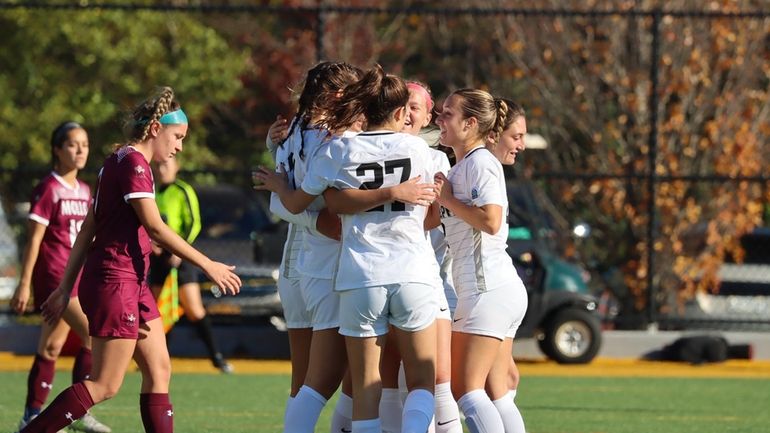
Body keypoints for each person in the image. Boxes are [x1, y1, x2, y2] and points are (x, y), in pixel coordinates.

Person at [20, 87, 241, 433]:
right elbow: (154, 227)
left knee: (159, 370)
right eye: (178, 136)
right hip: (117, 282)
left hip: (131, 284)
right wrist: (208, 264)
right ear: (156, 129)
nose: (180, 146)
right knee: (106, 384)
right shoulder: (133, 164)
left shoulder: (118, 160)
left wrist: (65, 288)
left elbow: (88, 229)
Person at [255, 64, 440, 433]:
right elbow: (431, 215)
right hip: (340, 266)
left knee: (337, 382)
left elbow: (304, 202)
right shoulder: (346, 142)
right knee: (328, 381)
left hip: (325, 268)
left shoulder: (304, 137)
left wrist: (271, 148)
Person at [265, 61, 362, 433]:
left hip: (303, 262)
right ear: (337, 95)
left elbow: (279, 199)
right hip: (326, 263)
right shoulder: (332, 140)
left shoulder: (291, 134)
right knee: (328, 376)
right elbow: (287, 201)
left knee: (313, 377)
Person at [434, 89, 528, 433]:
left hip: (486, 288)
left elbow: (490, 220)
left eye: (448, 114)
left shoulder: (481, 161)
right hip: (493, 287)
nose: (439, 120)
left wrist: (447, 198)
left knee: (465, 389)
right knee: (495, 390)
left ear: (471, 123)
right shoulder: (464, 164)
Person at [10, 121, 111, 433]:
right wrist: (25, 283)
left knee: (51, 347)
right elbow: (35, 240)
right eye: (72, 144)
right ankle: (78, 412)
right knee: (93, 335)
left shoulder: (84, 190)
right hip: (56, 277)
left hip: (77, 277)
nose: (80, 150)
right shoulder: (48, 188)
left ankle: (31, 415)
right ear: (57, 150)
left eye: (84, 144)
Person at [148, 157, 233, 373]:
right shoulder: (150, 190)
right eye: (157, 165)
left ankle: (216, 357)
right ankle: (157, 359)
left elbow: (194, 224)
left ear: (177, 166)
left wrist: (180, 249)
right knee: (156, 310)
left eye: (167, 164)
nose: (162, 168)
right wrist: (151, 244)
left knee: (194, 309)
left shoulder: (182, 190)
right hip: (156, 256)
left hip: (181, 256)